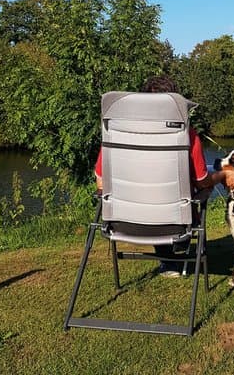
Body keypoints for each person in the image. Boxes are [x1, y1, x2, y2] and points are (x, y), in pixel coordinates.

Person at [94, 75, 225, 275]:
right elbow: (201, 181)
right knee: (198, 190)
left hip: (124, 221)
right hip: (175, 224)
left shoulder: (117, 132)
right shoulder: (186, 134)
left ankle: (169, 261)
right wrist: (219, 177)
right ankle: (178, 252)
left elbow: (101, 180)